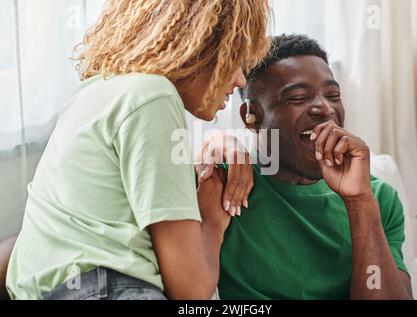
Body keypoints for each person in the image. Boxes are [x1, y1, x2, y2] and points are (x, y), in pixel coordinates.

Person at [2, 0, 269, 300]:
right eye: (233, 58)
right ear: (201, 44)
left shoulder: (101, 91)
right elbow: (191, 291)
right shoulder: (154, 96)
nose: (240, 79)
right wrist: (212, 218)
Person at [215, 34, 413, 299]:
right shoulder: (224, 185)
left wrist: (359, 203)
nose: (324, 108)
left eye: (333, 95)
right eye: (297, 98)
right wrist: (215, 141)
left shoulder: (377, 198)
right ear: (250, 116)